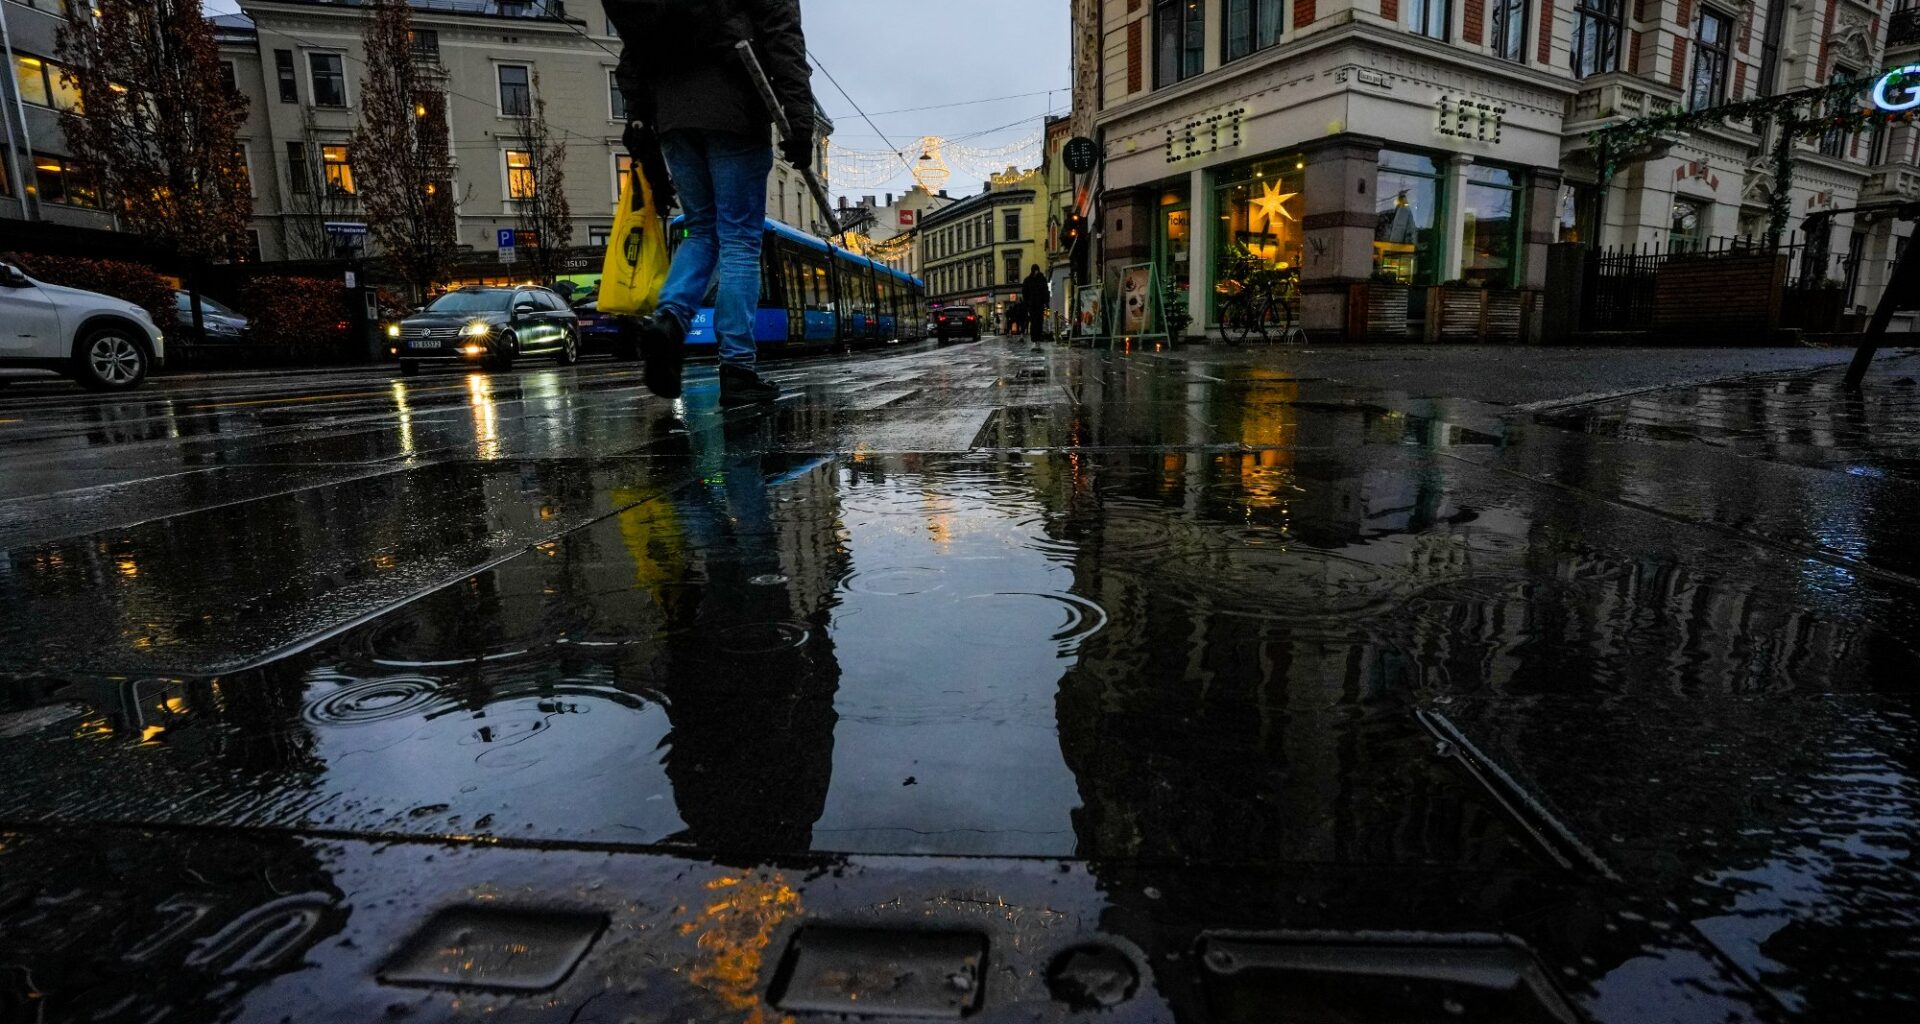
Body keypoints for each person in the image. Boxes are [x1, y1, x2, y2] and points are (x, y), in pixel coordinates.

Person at [608, 0, 815, 405]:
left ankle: (669, 321)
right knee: (739, 238)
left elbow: (633, 55)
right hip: (735, 108)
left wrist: (641, 122)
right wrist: (800, 119)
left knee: (701, 229)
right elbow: (783, 39)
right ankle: (738, 367)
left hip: (672, 117)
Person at [1021, 265, 1050, 344]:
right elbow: (1025, 293)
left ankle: (1038, 339)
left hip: (1039, 305)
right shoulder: (1028, 280)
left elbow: (1045, 291)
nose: (1036, 272)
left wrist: (1046, 302)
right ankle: (1034, 339)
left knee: (1039, 322)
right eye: (1035, 270)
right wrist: (1027, 304)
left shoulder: (1041, 279)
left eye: (1037, 270)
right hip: (1032, 305)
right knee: (1034, 322)